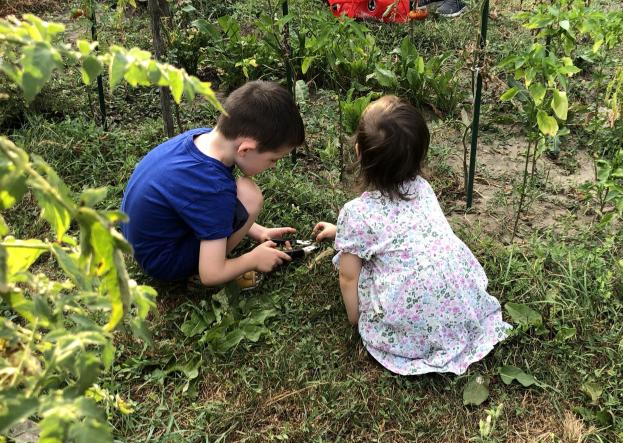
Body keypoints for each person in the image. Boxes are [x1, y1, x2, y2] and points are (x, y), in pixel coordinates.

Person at [313, 96, 511, 375]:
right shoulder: (423, 189)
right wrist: (340, 233)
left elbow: (348, 276)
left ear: (358, 151)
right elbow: (399, 233)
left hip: (412, 319)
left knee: (371, 272)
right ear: (419, 157)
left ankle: (408, 336)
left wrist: (355, 319)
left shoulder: (357, 213)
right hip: (457, 302)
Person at [121, 80, 303, 286]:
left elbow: (200, 206)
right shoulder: (213, 187)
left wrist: (259, 232)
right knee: (250, 198)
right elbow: (211, 275)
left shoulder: (202, 140)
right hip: (165, 262)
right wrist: (252, 259)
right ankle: (202, 269)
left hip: (143, 241)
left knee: (234, 195)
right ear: (245, 149)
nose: (273, 166)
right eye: (273, 159)